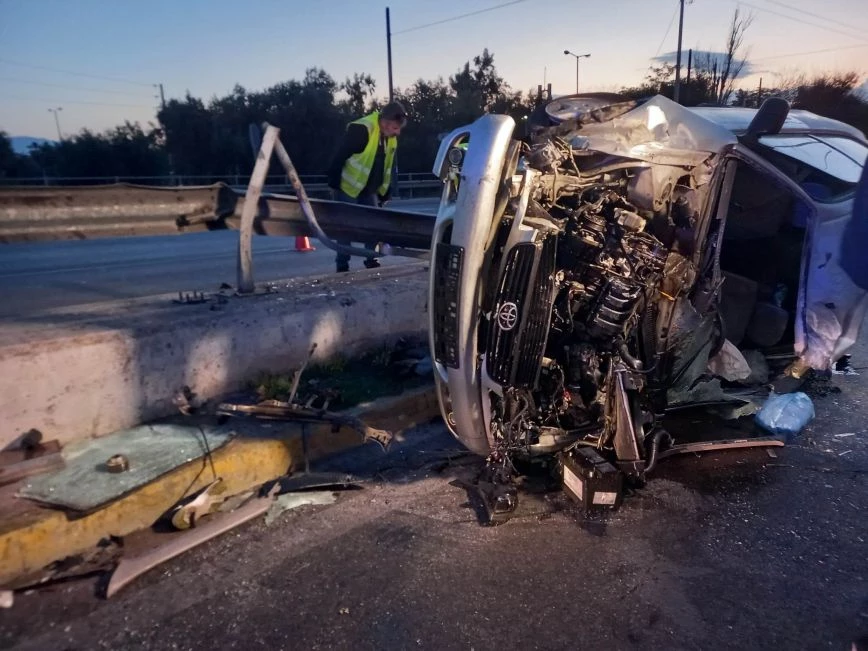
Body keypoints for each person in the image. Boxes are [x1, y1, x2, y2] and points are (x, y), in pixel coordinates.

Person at [327, 101, 407, 272]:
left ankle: (371, 259)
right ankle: (342, 264)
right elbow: (339, 155)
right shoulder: (362, 130)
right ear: (384, 123)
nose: (397, 132)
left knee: (373, 225)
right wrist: (333, 182)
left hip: (369, 189)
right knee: (346, 227)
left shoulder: (390, 139)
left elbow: (387, 167)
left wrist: (385, 192)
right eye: (395, 128)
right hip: (349, 187)